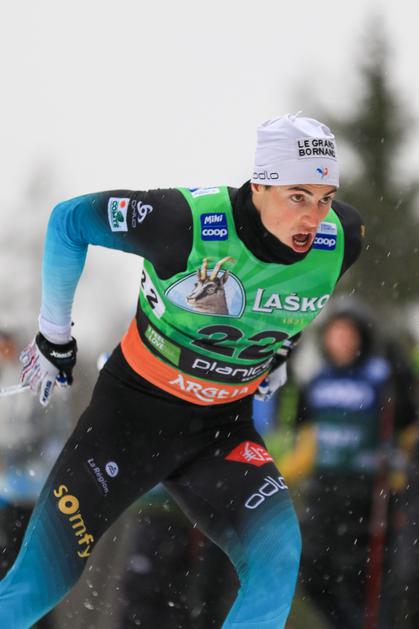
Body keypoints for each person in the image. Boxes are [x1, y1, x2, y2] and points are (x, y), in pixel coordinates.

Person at [0, 113, 363, 628]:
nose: (313, 217)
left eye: (325, 198)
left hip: (219, 432)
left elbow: (293, 302)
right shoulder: (184, 222)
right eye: (298, 196)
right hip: (128, 423)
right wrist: (54, 333)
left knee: (278, 561)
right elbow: (69, 220)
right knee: (39, 583)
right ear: (259, 185)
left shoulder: (342, 238)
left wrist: (280, 352)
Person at [279, 302, 415, 629]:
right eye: (336, 333)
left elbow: (407, 425)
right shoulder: (317, 381)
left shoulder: (382, 377)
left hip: (370, 496)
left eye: (349, 333)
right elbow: (304, 439)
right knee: (313, 572)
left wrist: (398, 472)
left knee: (367, 582)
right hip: (325, 493)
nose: (342, 340)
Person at [0, 330, 72, 628]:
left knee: (25, 576)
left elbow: (45, 439)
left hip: (30, 495)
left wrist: (10, 457)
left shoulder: (34, 382)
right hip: (10, 494)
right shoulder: (9, 380)